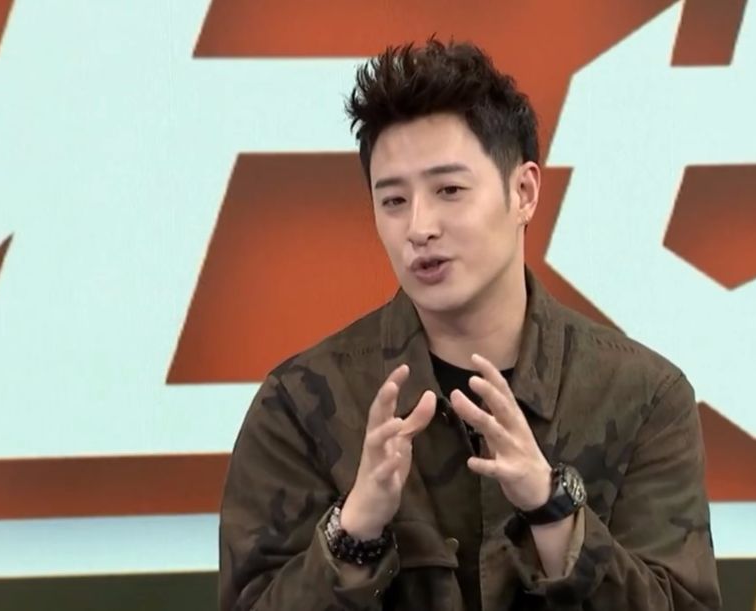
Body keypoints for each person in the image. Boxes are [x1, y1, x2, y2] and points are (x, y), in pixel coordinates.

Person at [218, 38, 720, 611]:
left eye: (449, 191)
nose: (419, 227)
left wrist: (554, 511)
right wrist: (353, 533)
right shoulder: (302, 404)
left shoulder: (642, 396)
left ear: (523, 192)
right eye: (393, 201)